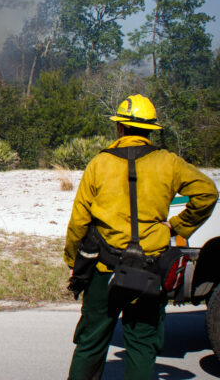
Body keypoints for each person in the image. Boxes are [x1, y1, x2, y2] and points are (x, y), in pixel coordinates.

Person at [64, 94, 218, 380]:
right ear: (150, 130)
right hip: (151, 270)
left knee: (90, 342)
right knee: (142, 347)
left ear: (120, 128)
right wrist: (178, 226)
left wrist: (72, 259)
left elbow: (79, 222)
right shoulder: (169, 162)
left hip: (103, 270)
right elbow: (208, 193)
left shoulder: (100, 164)